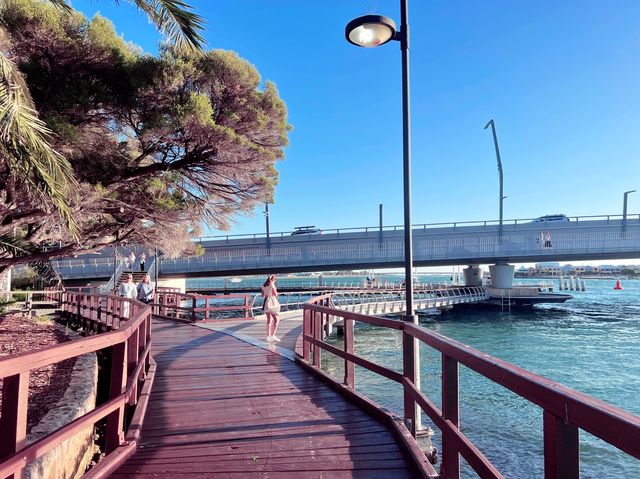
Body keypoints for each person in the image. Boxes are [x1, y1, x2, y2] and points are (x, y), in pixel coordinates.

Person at [261, 274, 281, 342]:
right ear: (273, 280)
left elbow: (262, 295)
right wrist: (274, 288)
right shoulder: (272, 285)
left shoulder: (263, 285)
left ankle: (268, 336)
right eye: (275, 280)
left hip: (266, 303)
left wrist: (267, 293)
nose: (275, 281)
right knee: (276, 320)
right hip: (272, 303)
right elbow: (275, 294)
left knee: (269, 320)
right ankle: (273, 336)